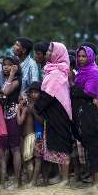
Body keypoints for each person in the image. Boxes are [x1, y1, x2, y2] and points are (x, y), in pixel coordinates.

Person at [36, 42, 74, 185]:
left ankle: (65, 179)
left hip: (59, 113)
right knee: (56, 145)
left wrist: (36, 107)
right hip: (53, 113)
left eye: (50, 51)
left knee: (62, 146)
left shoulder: (57, 73)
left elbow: (48, 95)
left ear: (57, 54)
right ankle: (61, 177)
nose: (47, 54)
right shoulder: (53, 70)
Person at [71, 45, 98, 187]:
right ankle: (93, 179)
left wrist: (72, 84)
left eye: (84, 56)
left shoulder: (94, 72)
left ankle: (97, 183)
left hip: (89, 113)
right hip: (80, 113)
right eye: (79, 56)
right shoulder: (80, 71)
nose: (80, 58)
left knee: (93, 148)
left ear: (90, 57)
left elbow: (89, 93)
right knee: (87, 147)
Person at [0, 56, 23, 187]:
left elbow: (6, 91)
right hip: (4, 114)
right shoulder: (7, 79)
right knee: (6, 148)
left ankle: (17, 180)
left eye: (9, 65)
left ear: (15, 67)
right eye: (4, 65)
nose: (5, 67)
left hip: (13, 114)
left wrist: (12, 74)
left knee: (15, 148)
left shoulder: (16, 79)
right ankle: (4, 180)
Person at [17, 91, 36, 183]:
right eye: (19, 99)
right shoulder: (28, 108)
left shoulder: (25, 109)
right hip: (28, 137)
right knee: (27, 160)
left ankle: (30, 181)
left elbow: (20, 122)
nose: (20, 101)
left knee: (29, 161)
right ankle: (29, 180)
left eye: (22, 99)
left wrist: (17, 111)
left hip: (29, 137)